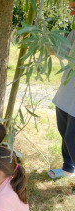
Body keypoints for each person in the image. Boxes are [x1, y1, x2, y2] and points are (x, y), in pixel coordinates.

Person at [48, 1, 75, 179]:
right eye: (71, 9)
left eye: (74, 9)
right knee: (64, 131)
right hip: (67, 91)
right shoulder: (74, 32)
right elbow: (63, 49)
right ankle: (68, 167)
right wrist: (42, 42)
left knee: (72, 139)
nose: (72, 14)